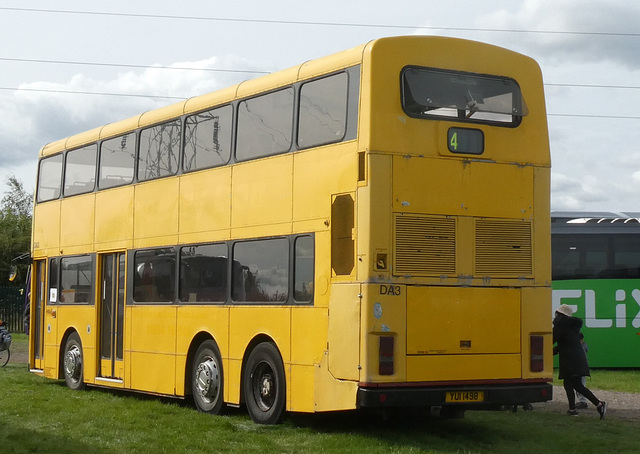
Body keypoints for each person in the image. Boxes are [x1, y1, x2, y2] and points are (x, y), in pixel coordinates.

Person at [553, 304, 607, 419]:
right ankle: (573, 409)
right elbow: (568, 343)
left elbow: (552, 340)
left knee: (575, 385)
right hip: (577, 358)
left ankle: (599, 404)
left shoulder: (560, 325)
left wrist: (544, 350)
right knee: (570, 384)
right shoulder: (573, 327)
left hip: (569, 360)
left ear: (559, 314)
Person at [575, 333, 589, 409]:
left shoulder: (579, 347)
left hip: (580, 368)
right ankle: (582, 401)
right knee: (581, 384)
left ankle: (583, 402)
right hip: (583, 368)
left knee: (580, 386)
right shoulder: (584, 346)